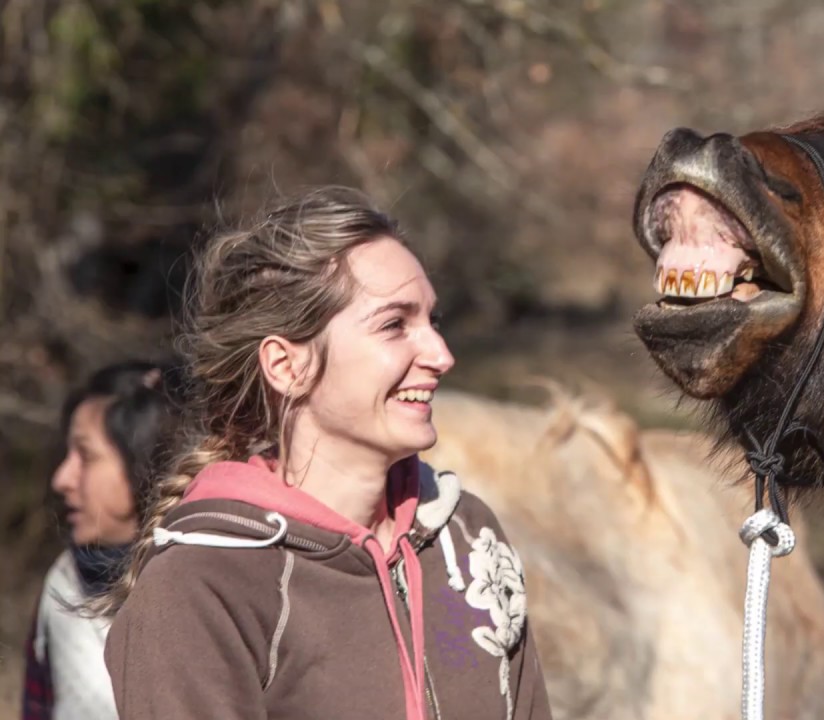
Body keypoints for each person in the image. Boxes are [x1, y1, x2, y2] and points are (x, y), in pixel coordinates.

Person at [100, 186, 551, 720]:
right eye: (394, 325)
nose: (441, 355)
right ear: (287, 366)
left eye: (434, 321)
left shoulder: (467, 537)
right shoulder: (199, 589)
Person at [22, 359, 180, 720]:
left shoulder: (203, 589)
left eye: (87, 456)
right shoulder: (63, 583)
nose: (62, 478)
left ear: (147, 465)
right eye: (67, 455)